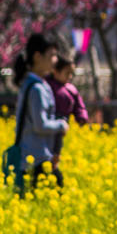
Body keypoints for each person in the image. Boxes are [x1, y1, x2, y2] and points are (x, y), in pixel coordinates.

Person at [4, 32, 68, 195]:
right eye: (52, 55)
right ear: (38, 57)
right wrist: (61, 125)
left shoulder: (32, 84)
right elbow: (40, 125)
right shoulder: (37, 89)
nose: (56, 60)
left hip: (33, 157)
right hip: (36, 159)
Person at [45, 54, 90, 187]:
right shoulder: (48, 85)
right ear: (55, 71)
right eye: (67, 73)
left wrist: (81, 117)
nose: (69, 77)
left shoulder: (71, 89)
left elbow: (79, 106)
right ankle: (49, 174)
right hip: (49, 123)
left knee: (56, 150)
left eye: (71, 74)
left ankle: (53, 170)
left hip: (62, 124)